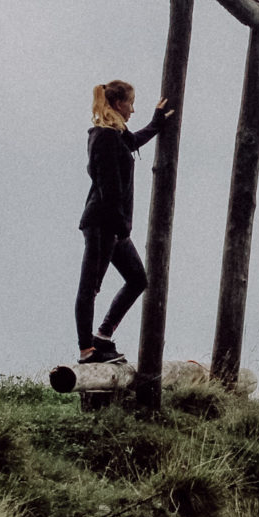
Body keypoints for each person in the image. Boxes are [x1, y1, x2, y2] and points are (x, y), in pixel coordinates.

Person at [75, 80, 174, 363]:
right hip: (102, 226)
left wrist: (156, 123)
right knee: (90, 286)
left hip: (114, 228)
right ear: (118, 104)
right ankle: (86, 351)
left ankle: (102, 336)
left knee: (137, 279)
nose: (133, 109)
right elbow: (108, 189)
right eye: (130, 103)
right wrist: (119, 227)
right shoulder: (103, 137)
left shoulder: (116, 135)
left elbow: (134, 141)